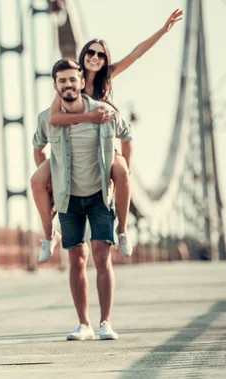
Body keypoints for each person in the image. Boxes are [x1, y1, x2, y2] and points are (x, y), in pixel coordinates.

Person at [33, 9, 184, 262]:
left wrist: (162, 31)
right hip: (70, 150)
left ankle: (123, 231)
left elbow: (136, 54)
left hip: (102, 148)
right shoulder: (71, 81)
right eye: (90, 52)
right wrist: (89, 117)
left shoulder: (106, 77)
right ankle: (49, 235)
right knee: (39, 180)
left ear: (105, 60)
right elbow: (53, 119)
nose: (95, 57)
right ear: (83, 57)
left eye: (100, 54)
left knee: (123, 172)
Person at [33, 58, 133, 340]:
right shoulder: (46, 118)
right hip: (68, 199)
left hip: (100, 195)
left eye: (72, 79)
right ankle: (84, 325)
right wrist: (49, 180)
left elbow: (128, 135)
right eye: (61, 81)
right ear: (55, 86)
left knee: (103, 257)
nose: (68, 85)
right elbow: (37, 146)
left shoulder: (103, 112)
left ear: (81, 81)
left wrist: (124, 169)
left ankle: (106, 323)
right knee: (77, 259)